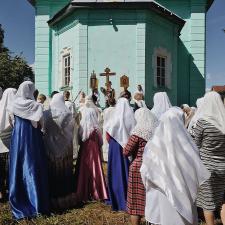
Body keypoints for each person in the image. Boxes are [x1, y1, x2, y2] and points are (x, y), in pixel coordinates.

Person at [140, 107, 210, 225]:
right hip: (182, 197)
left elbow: (145, 172)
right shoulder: (190, 147)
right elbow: (194, 173)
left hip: (158, 197)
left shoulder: (152, 146)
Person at [7, 81, 49, 219]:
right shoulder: (36, 106)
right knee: (32, 165)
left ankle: (19, 198)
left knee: (18, 165)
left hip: (18, 139)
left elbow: (11, 122)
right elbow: (41, 125)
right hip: (32, 139)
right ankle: (36, 201)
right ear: (31, 90)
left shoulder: (13, 104)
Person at [193, 91, 225, 225]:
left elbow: (195, 145)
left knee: (208, 203)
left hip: (207, 169)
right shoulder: (223, 122)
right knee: (223, 200)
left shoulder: (202, 123)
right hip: (223, 167)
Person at [123, 108, 158, 225]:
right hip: (153, 166)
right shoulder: (156, 130)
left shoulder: (138, 132)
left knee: (135, 202)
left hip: (138, 167)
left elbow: (126, 151)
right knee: (151, 198)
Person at [43, 93, 76, 210]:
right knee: (65, 173)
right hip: (65, 147)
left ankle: (52, 200)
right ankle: (66, 199)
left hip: (50, 147)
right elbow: (72, 129)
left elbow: (43, 129)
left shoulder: (46, 113)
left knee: (53, 173)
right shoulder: (68, 113)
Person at [104, 97, 136, 211]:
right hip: (126, 147)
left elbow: (108, 134)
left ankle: (115, 198)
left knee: (115, 170)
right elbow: (134, 132)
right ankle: (127, 198)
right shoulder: (131, 116)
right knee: (125, 170)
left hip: (114, 146)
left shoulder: (114, 117)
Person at [75, 107, 108, 203]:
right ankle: (97, 191)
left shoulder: (82, 128)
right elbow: (101, 142)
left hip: (84, 153)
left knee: (83, 171)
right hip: (94, 154)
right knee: (95, 169)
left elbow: (79, 140)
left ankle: (83, 191)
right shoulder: (96, 129)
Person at [0, 88, 17, 201]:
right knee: (10, 169)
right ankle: (11, 190)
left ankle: (1, 192)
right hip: (12, 144)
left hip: (1, 144)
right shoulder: (16, 109)